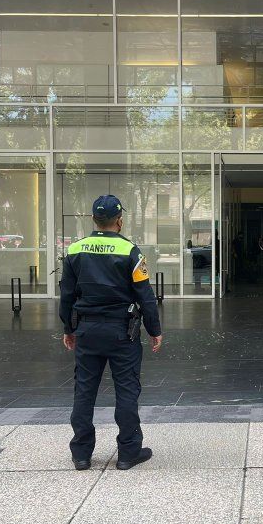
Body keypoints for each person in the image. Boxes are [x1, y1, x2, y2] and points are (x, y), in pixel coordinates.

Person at [59, 195, 163, 471]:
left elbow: (66, 294)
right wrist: (154, 329)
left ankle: (81, 454)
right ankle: (128, 453)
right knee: (127, 390)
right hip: (122, 332)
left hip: (87, 330)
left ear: (94, 219)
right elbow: (145, 295)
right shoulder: (131, 251)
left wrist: (68, 328)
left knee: (84, 390)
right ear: (120, 220)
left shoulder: (75, 250)